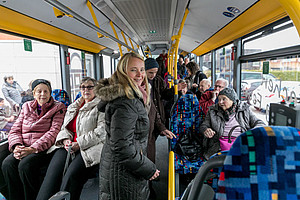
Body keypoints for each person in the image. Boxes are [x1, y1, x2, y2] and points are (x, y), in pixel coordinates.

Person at [95, 52, 159, 200]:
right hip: (123, 172)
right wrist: (148, 168)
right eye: (133, 70)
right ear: (123, 72)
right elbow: (122, 146)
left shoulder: (130, 95)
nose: (140, 74)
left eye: (142, 69)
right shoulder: (127, 101)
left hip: (121, 166)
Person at [37, 77, 106, 200]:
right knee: (52, 174)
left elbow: (101, 132)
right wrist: (65, 140)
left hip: (90, 148)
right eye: (83, 87)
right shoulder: (74, 106)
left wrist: (78, 143)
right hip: (69, 145)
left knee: (71, 176)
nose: (86, 90)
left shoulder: (101, 106)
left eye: (90, 87)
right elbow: (64, 128)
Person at [1, 79, 66, 200]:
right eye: (39, 91)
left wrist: (32, 149)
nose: (43, 94)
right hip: (23, 146)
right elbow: (15, 129)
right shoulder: (26, 106)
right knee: (7, 164)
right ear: (34, 93)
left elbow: (53, 133)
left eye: (46, 91)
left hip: (43, 149)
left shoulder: (58, 107)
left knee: (25, 165)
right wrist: (16, 146)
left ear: (50, 92)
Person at [199, 88, 265, 158]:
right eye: (219, 99)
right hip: (218, 147)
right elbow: (204, 125)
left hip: (241, 144)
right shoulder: (213, 111)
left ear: (232, 100)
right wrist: (206, 130)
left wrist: (252, 132)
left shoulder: (244, 109)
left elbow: (260, 123)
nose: (220, 102)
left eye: (224, 99)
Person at [145, 58, 186, 127]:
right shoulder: (140, 82)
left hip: (158, 112)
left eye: (156, 72)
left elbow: (165, 95)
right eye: (151, 72)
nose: (153, 75)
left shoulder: (159, 80)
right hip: (146, 112)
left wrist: (174, 89)